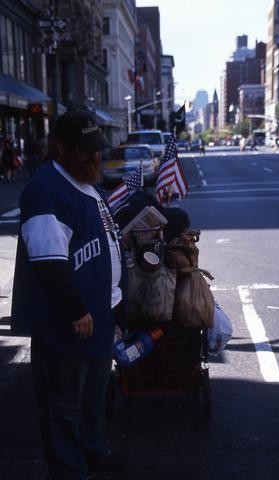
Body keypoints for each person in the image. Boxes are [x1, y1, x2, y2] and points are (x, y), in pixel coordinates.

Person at [11, 109, 127, 480]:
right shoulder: (47, 190)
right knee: (63, 407)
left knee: (93, 395)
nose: (95, 157)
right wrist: (76, 310)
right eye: (85, 150)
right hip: (67, 323)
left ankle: (93, 451)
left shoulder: (86, 181)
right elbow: (48, 263)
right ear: (60, 147)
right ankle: (68, 470)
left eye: (97, 149)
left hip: (98, 316)